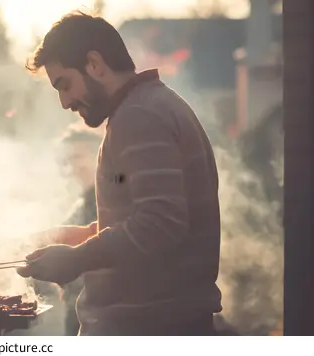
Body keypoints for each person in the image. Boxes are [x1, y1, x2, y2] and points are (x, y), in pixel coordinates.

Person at [16, 11, 222, 336]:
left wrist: (75, 260)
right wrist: (77, 236)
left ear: (95, 64)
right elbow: (146, 222)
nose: (65, 102)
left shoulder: (140, 116)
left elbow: (160, 223)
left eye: (65, 84)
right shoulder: (148, 107)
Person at [56, 125, 101, 336]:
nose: (71, 166)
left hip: (97, 315)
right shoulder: (82, 202)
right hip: (78, 310)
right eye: (67, 160)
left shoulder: (108, 201)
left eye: (77, 157)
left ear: (98, 157)